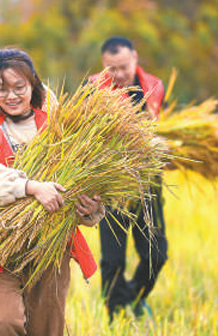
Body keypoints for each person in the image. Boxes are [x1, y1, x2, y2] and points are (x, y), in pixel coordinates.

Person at [0, 48, 105, 336]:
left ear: (33, 87)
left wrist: (90, 208)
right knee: (5, 322)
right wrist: (31, 187)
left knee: (46, 327)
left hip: (49, 244)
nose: (11, 96)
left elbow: (78, 184)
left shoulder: (56, 130)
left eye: (19, 87)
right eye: (2, 88)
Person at [89, 36, 168, 321]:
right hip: (112, 187)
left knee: (156, 255)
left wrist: (163, 146)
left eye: (123, 66)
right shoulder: (93, 90)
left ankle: (134, 297)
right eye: (112, 69)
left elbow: (168, 127)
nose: (119, 74)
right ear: (103, 66)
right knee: (113, 260)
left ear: (135, 57)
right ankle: (116, 313)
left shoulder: (155, 86)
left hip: (148, 184)